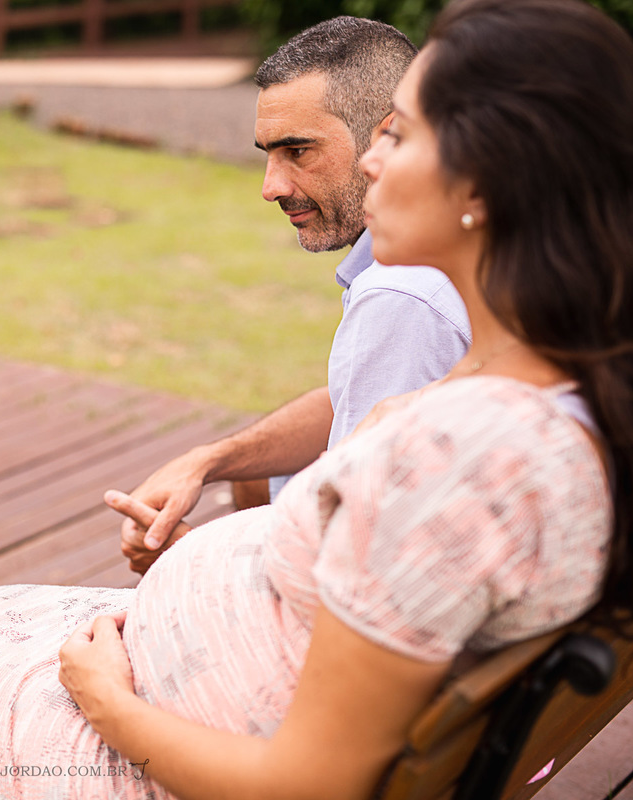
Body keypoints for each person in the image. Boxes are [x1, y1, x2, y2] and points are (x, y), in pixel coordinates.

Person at [0, 1, 633, 797]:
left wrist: (105, 699)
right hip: (227, 667)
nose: (374, 161)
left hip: (175, 727)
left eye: (401, 133)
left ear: (486, 184)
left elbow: (310, 785)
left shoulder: (454, 452)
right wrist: (220, 481)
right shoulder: (558, 377)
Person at [120, 16, 471, 573]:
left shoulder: (402, 295)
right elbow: (355, 397)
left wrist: (186, 559)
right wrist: (208, 461)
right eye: (268, 153)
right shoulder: (458, 239)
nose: (270, 187)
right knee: (254, 480)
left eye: (298, 151)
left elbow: (358, 559)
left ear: (390, 138)